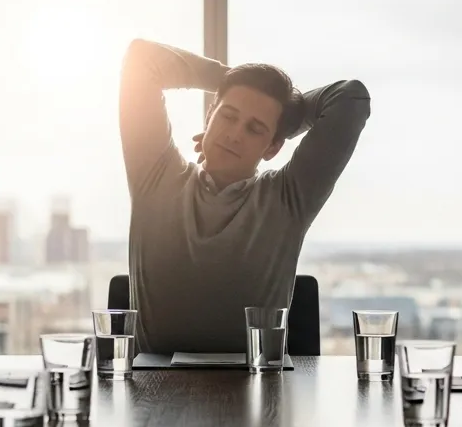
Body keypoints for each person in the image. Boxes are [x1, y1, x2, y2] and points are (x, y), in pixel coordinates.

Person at [119, 39, 370, 354]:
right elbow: (142, 59)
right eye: (228, 116)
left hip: (255, 391)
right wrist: (227, 78)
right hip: (153, 393)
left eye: (255, 129)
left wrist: (287, 119)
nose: (235, 133)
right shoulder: (156, 176)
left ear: (273, 148)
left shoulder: (287, 199)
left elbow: (351, 98)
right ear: (210, 115)